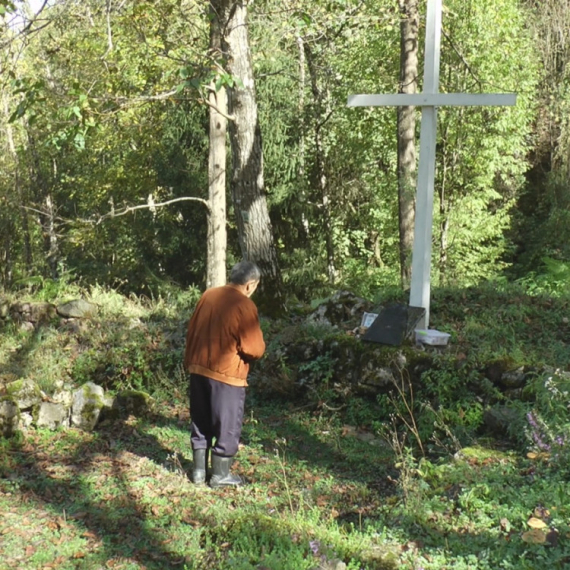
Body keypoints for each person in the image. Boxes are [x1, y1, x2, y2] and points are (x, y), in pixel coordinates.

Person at [184, 260, 266, 488]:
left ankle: (198, 473)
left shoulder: (208, 295)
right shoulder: (244, 305)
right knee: (227, 424)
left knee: (200, 421)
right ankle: (220, 475)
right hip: (227, 375)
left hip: (198, 368)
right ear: (250, 285)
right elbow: (254, 348)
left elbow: (191, 331)